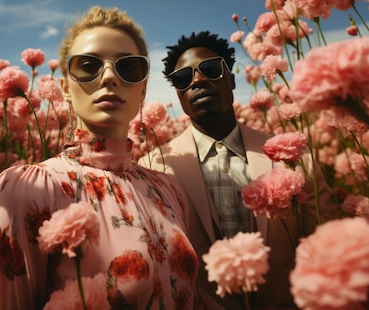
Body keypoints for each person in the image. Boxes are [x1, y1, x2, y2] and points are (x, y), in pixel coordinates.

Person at [0, 6, 201, 310]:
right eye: (88, 65)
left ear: (142, 90)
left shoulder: (169, 190)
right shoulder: (30, 188)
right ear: (66, 89)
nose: (110, 76)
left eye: (129, 67)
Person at [139, 32, 339, 310]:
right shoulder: (153, 168)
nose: (198, 80)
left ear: (231, 79)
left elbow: (329, 245)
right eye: (184, 78)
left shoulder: (292, 157)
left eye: (210, 69)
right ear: (179, 95)